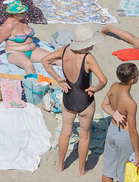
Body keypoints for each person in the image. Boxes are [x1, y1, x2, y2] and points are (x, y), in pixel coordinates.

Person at [42, 26, 108, 176]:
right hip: (84, 100)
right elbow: (103, 80)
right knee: (84, 135)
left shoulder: (65, 50)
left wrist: (58, 79)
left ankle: (60, 165)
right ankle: (81, 169)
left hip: (68, 97)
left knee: (65, 132)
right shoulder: (88, 58)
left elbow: (45, 60)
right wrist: (95, 88)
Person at [0, 1, 58, 75]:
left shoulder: (23, 19)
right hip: (15, 52)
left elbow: (25, 32)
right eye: (22, 12)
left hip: (33, 50)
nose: (25, 13)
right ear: (15, 15)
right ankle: (33, 85)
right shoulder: (8, 26)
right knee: (28, 64)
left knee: (55, 57)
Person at [101, 63, 139, 182]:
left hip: (112, 130)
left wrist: (114, 114)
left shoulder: (114, 86)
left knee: (108, 170)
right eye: (137, 74)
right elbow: (133, 131)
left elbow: (104, 104)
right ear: (132, 80)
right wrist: (138, 153)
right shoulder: (131, 103)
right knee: (123, 174)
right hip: (124, 136)